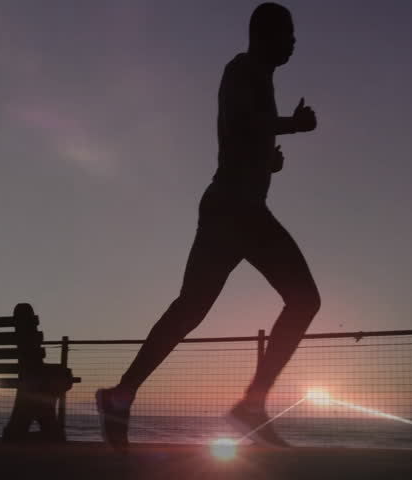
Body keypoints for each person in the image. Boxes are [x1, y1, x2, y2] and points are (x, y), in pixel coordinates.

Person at [96, 2, 319, 449]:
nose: (295, 42)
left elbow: (239, 138)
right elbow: (241, 122)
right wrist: (290, 126)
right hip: (231, 210)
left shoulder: (260, 77)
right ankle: (241, 407)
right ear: (266, 35)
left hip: (241, 209)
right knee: (282, 301)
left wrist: (267, 163)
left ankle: (127, 396)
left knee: (207, 307)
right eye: (288, 34)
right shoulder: (242, 69)